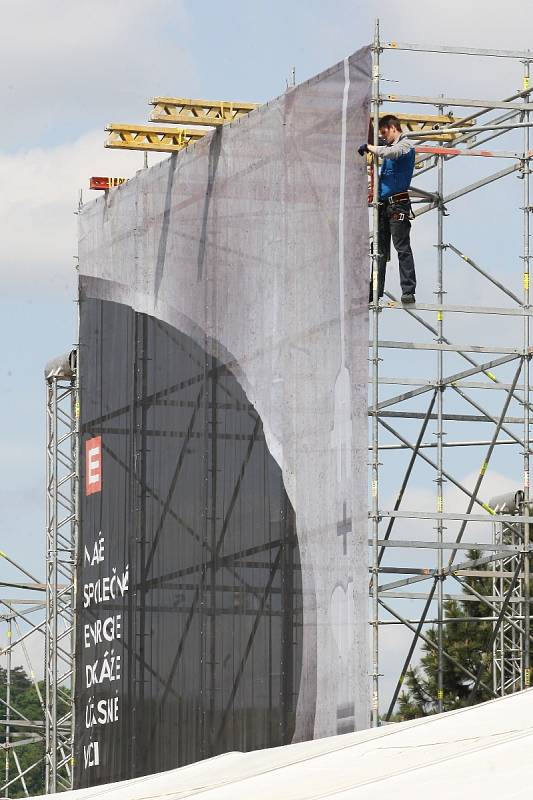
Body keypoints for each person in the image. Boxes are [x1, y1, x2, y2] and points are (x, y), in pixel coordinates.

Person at [359, 115, 417, 304]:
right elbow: (377, 145)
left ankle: (408, 290)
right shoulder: (388, 146)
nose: (383, 138)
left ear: (393, 128)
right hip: (383, 205)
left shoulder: (405, 145)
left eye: (385, 133)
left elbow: (391, 153)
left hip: (397, 203)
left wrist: (371, 148)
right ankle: (375, 290)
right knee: (378, 250)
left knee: (402, 247)